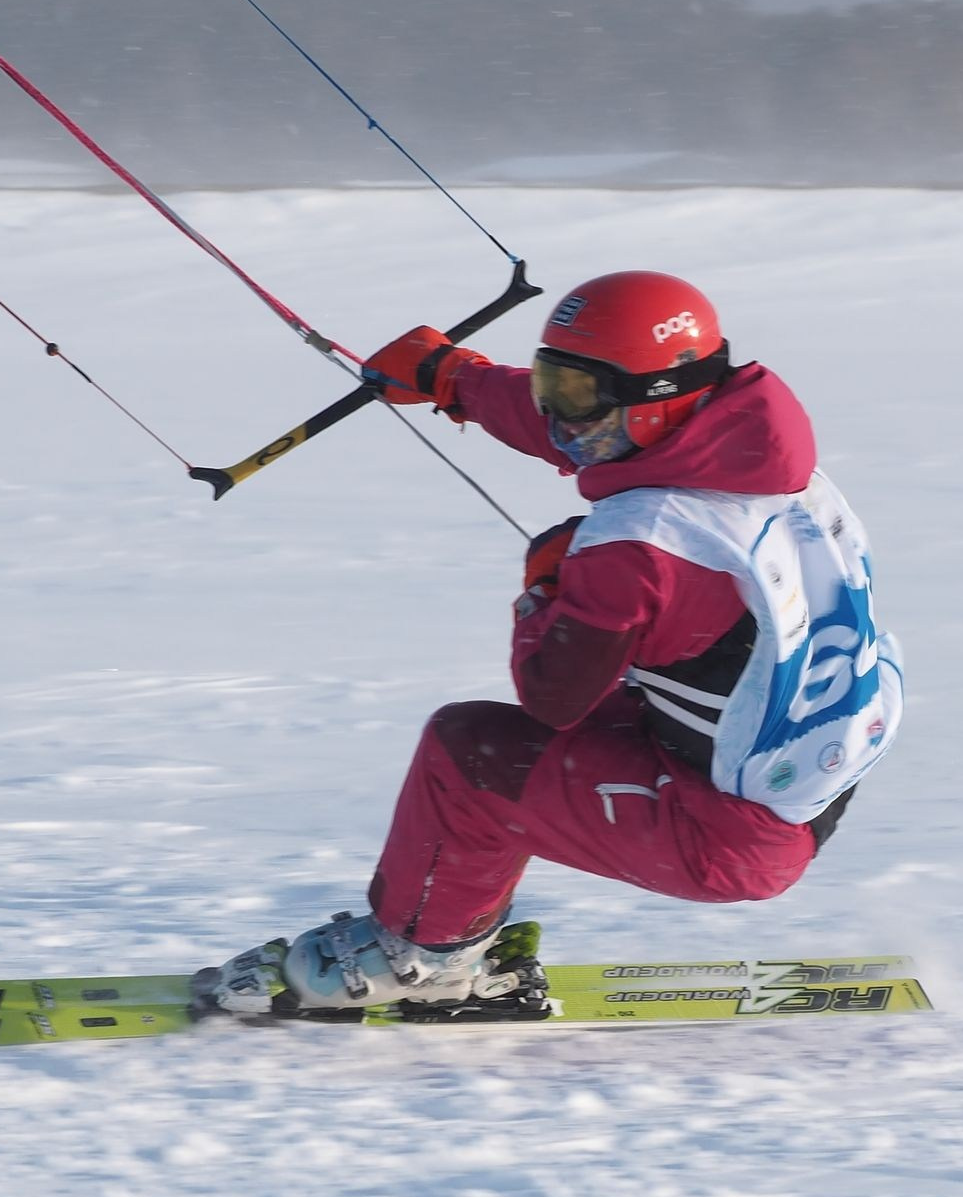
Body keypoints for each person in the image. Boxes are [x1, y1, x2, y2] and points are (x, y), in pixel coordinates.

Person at [194, 269, 903, 1014]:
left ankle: (422, 956)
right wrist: (452, 378)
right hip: (798, 777)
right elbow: (592, 433)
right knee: (571, 728)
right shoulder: (759, 456)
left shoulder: (642, 549)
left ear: (665, 396)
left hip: (724, 833)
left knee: (469, 758)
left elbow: (553, 695)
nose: (561, 420)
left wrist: (544, 591)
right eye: (550, 383)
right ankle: (458, 927)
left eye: (578, 396)